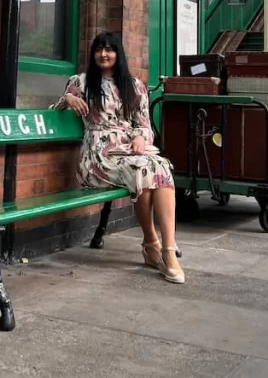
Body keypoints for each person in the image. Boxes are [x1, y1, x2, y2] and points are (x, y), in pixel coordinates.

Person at [54, 32, 185, 284]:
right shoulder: (80, 82)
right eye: (99, 50)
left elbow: (145, 125)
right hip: (98, 157)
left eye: (109, 50)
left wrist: (140, 139)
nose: (104, 54)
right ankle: (154, 246)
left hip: (128, 152)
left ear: (118, 54)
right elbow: (56, 106)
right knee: (146, 170)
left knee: (160, 168)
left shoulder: (134, 86)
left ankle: (163, 247)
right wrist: (68, 98)